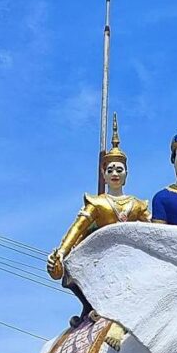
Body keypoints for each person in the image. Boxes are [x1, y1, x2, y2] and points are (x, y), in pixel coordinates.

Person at [48, 116, 150, 326]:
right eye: (110, 170)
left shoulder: (138, 205)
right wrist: (60, 254)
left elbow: (155, 233)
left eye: (119, 170)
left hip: (131, 262)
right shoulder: (97, 204)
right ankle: (92, 305)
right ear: (103, 174)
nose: (114, 173)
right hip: (102, 262)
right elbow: (77, 230)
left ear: (126, 174)